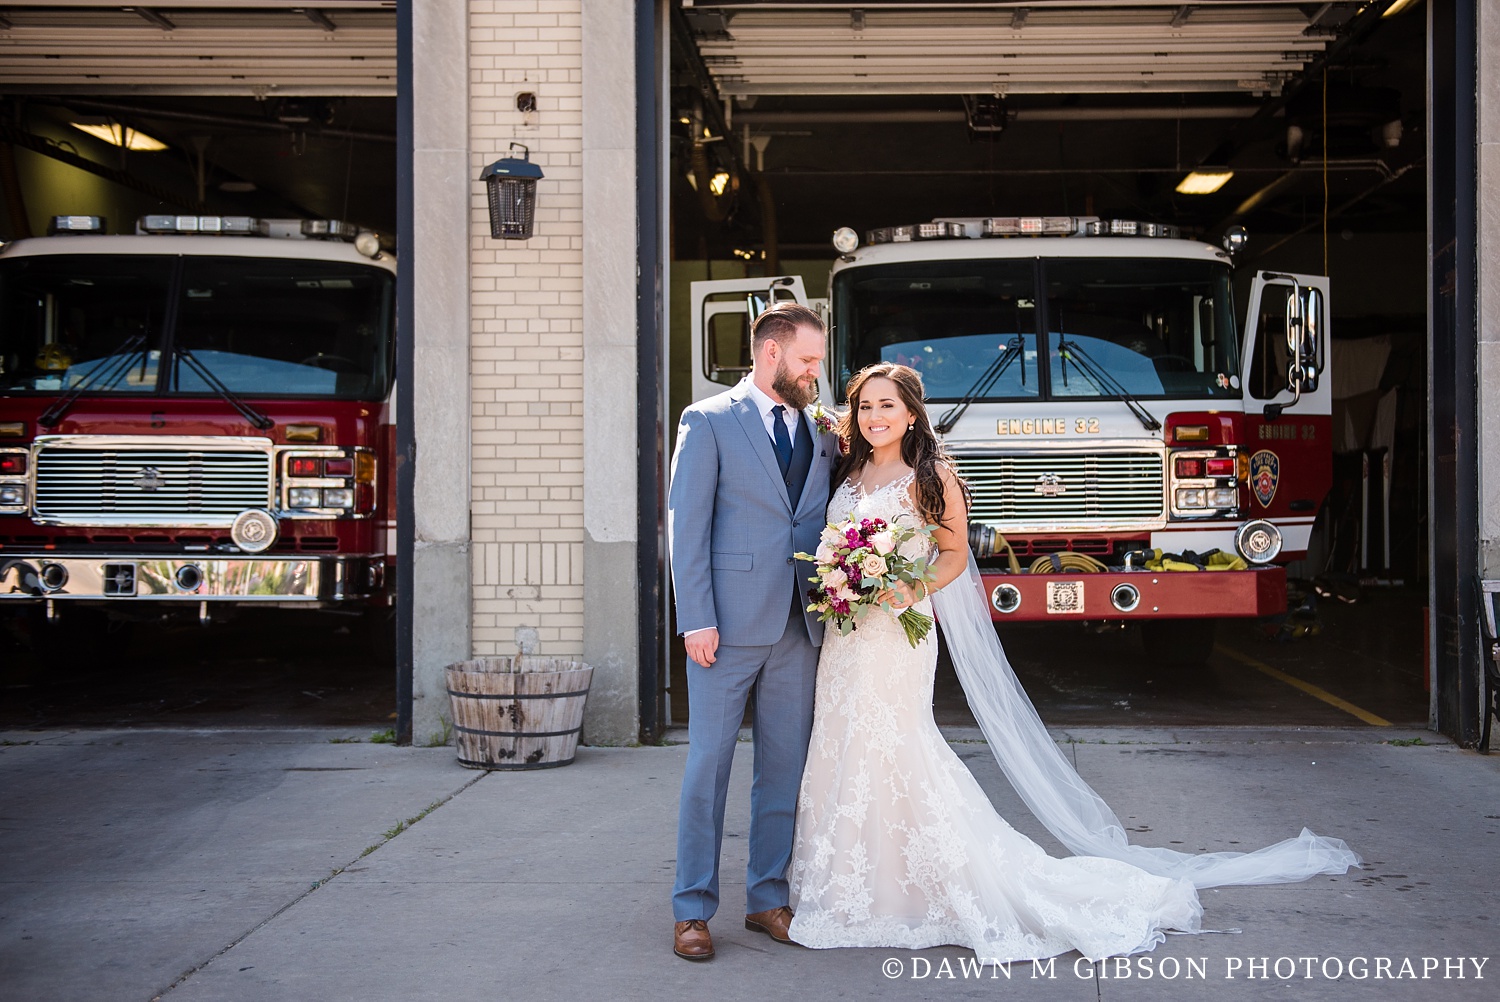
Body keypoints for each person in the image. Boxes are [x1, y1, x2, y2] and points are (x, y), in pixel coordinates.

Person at [786, 362, 1360, 963]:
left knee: (898, 745)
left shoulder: (930, 474)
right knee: (842, 743)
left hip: (899, 631)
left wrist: (907, 589)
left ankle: (929, 886)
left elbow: (954, 554)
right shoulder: (849, 469)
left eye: (888, 406)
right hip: (850, 635)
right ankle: (854, 885)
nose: (876, 417)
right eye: (866, 406)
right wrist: (844, 580)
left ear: (911, 414)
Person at [665, 302, 842, 961]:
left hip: (801, 625)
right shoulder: (708, 421)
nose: (815, 372)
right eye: (808, 360)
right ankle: (691, 910)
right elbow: (687, 527)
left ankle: (768, 898)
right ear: (772, 354)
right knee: (708, 765)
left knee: (784, 769)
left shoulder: (824, 431)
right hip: (726, 627)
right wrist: (696, 620)